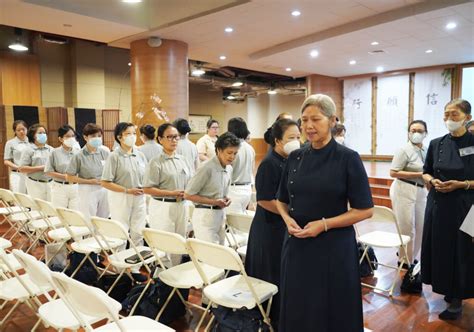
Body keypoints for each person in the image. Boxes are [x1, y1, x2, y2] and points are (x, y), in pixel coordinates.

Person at [276, 94, 373, 332]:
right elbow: (281, 200)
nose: (308, 126)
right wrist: (287, 219)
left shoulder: (348, 158)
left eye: (316, 119)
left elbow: (365, 210)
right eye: (304, 120)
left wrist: (324, 224)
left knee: (331, 308)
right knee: (300, 304)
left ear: (332, 120)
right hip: (298, 244)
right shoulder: (296, 156)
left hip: (333, 246)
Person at [421, 98, 474, 321]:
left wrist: (462, 184)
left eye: (454, 115)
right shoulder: (436, 143)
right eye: (446, 115)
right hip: (438, 204)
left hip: (466, 207)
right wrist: (432, 181)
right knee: (440, 249)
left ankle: (457, 299)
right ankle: (447, 288)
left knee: (461, 252)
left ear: (467, 118)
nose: (449, 119)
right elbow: (426, 171)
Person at [245, 118, 301, 324]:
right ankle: (269, 316)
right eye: (291, 138)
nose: (297, 141)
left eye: (298, 137)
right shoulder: (269, 163)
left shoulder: (291, 160)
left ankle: (280, 313)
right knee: (270, 271)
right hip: (269, 227)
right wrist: (287, 214)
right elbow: (264, 200)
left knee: (281, 271)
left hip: (282, 224)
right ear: (278, 141)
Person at [144, 123, 190, 264]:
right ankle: (163, 279)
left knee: (179, 241)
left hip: (182, 205)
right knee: (164, 244)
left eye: (176, 137)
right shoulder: (155, 162)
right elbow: (147, 189)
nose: (174, 140)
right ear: (160, 139)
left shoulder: (182, 159)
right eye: (169, 137)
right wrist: (171, 193)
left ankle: (175, 273)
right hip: (163, 206)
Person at [184, 132, 240, 244]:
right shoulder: (206, 167)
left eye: (235, 153)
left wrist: (226, 198)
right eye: (229, 153)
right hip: (205, 215)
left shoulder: (228, 168)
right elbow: (188, 195)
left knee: (220, 253)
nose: (232, 157)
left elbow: (218, 192)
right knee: (210, 255)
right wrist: (214, 201)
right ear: (219, 150)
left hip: (220, 214)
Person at [101, 122, 147, 246]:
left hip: (139, 197)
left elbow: (146, 177)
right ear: (119, 137)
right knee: (120, 232)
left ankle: (136, 263)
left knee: (138, 231)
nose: (132, 136)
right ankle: (119, 264)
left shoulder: (140, 155)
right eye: (128, 134)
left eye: (134, 133)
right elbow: (105, 182)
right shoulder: (114, 157)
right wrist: (127, 190)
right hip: (121, 196)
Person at [389, 120, 428, 265]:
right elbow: (393, 172)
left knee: (422, 226)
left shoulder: (426, 150)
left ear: (425, 133)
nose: (416, 133)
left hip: (421, 190)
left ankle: (412, 255)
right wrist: (418, 175)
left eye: (419, 131)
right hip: (403, 188)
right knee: (406, 226)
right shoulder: (403, 150)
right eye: (413, 130)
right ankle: (404, 260)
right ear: (409, 133)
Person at [66, 123, 110, 219]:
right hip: (87, 189)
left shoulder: (105, 152)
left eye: (99, 136)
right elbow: (69, 177)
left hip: (104, 188)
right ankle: (89, 234)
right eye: (93, 136)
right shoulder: (79, 155)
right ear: (85, 137)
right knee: (88, 218)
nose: (97, 138)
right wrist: (89, 181)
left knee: (104, 218)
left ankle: (101, 234)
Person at [44, 125, 80, 209]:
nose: (71, 138)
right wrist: (66, 177)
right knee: (60, 214)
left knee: (76, 214)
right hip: (60, 187)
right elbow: (48, 171)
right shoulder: (54, 152)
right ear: (60, 139)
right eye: (67, 136)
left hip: (76, 187)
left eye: (72, 136)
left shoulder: (78, 152)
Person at [226, 117, 255, 213]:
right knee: (241, 220)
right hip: (247, 189)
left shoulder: (232, 149)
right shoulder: (250, 148)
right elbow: (252, 170)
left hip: (234, 190)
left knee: (234, 224)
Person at [19, 124, 54, 200]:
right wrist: (41, 168)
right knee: (37, 209)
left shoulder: (51, 149)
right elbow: (22, 168)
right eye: (40, 133)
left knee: (51, 208)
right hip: (35, 183)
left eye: (44, 133)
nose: (43, 135)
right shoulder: (28, 150)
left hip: (51, 183)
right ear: (33, 135)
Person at [3, 120, 30, 193]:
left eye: (23, 129)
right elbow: (6, 161)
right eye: (18, 130)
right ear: (15, 131)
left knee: (32, 199)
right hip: (17, 174)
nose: (21, 131)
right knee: (19, 198)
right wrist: (18, 167)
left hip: (31, 174)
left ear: (27, 129)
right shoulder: (10, 143)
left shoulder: (32, 142)